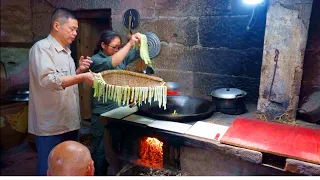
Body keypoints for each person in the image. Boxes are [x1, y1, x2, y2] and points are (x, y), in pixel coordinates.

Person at [28, 8, 95, 176]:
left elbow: (66, 80)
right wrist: (82, 77)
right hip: (51, 124)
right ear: (56, 25)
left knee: (69, 167)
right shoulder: (42, 48)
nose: (75, 33)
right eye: (72, 29)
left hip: (69, 120)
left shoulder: (66, 52)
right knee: (49, 167)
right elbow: (48, 80)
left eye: (77, 30)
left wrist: (79, 71)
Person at [89, 30, 141, 175]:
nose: (117, 50)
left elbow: (137, 53)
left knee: (117, 147)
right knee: (100, 149)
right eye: (114, 47)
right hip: (102, 113)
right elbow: (111, 63)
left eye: (119, 47)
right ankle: (99, 174)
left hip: (119, 111)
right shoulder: (95, 61)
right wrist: (129, 44)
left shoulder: (120, 57)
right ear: (103, 45)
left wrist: (138, 40)